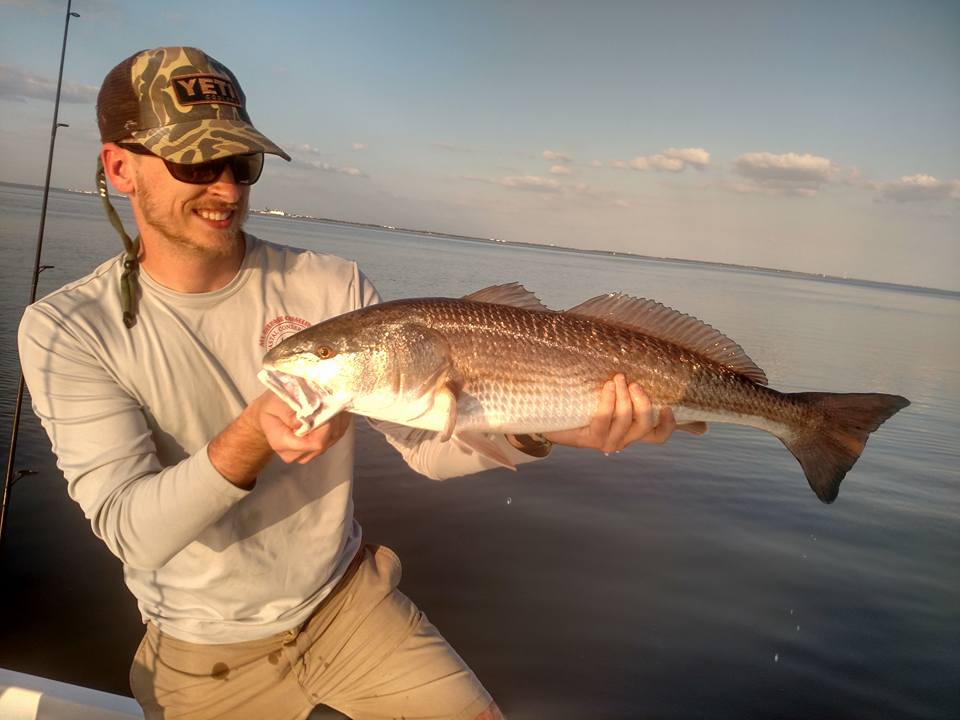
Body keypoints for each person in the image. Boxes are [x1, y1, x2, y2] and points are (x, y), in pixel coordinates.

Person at [18, 47, 679, 720]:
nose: (226, 189)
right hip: (204, 652)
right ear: (120, 167)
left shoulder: (330, 285)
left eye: (241, 163)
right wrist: (251, 437)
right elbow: (133, 532)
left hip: (349, 601)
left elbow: (424, 446)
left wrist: (538, 427)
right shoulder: (68, 329)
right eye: (196, 162)